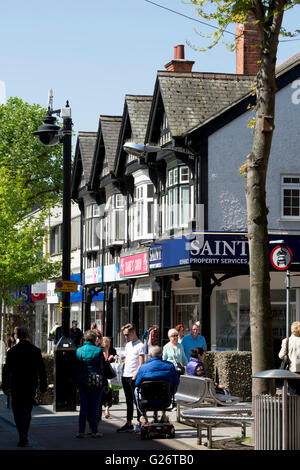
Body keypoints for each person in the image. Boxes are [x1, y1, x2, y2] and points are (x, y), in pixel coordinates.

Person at [2, 326, 47, 447]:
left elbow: (6, 370)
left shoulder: (12, 351)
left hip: (16, 384)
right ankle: (24, 433)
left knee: (17, 410)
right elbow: (42, 370)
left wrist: (5, 386)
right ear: (28, 335)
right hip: (30, 384)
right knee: (27, 410)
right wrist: (43, 387)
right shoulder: (35, 351)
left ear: (17, 336)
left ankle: (21, 433)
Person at [135, 345, 179, 423]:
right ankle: (163, 414)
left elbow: (137, 383)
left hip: (147, 400)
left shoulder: (143, 368)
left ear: (150, 355)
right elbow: (176, 382)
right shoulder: (170, 366)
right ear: (162, 355)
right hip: (165, 400)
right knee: (170, 386)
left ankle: (143, 415)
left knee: (136, 390)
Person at [76, 329, 105, 438]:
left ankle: (81, 431)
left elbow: (77, 368)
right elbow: (102, 368)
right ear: (94, 339)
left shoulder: (78, 351)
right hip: (96, 382)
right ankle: (94, 430)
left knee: (83, 407)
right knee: (94, 407)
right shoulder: (98, 351)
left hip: (83, 381)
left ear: (84, 339)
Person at [117, 323, 145, 433]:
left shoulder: (140, 345)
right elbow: (127, 358)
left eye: (127, 334)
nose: (126, 337)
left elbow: (141, 363)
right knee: (128, 401)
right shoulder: (128, 345)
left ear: (133, 332)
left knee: (136, 400)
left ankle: (139, 422)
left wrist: (135, 374)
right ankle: (129, 423)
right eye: (124, 335)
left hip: (133, 376)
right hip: (125, 375)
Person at [279, 321, 300, 395]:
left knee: (293, 391)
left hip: (292, 370)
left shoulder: (286, 341)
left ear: (292, 330)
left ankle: (294, 406)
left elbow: (281, 356)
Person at [101, 336, 118, 419]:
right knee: (103, 393)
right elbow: (104, 362)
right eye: (106, 345)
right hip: (103, 375)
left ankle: (107, 410)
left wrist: (115, 357)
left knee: (109, 392)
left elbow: (116, 357)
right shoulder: (101, 351)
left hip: (109, 374)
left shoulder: (112, 350)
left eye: (109, 345)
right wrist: (108, 358)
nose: (108, 346)